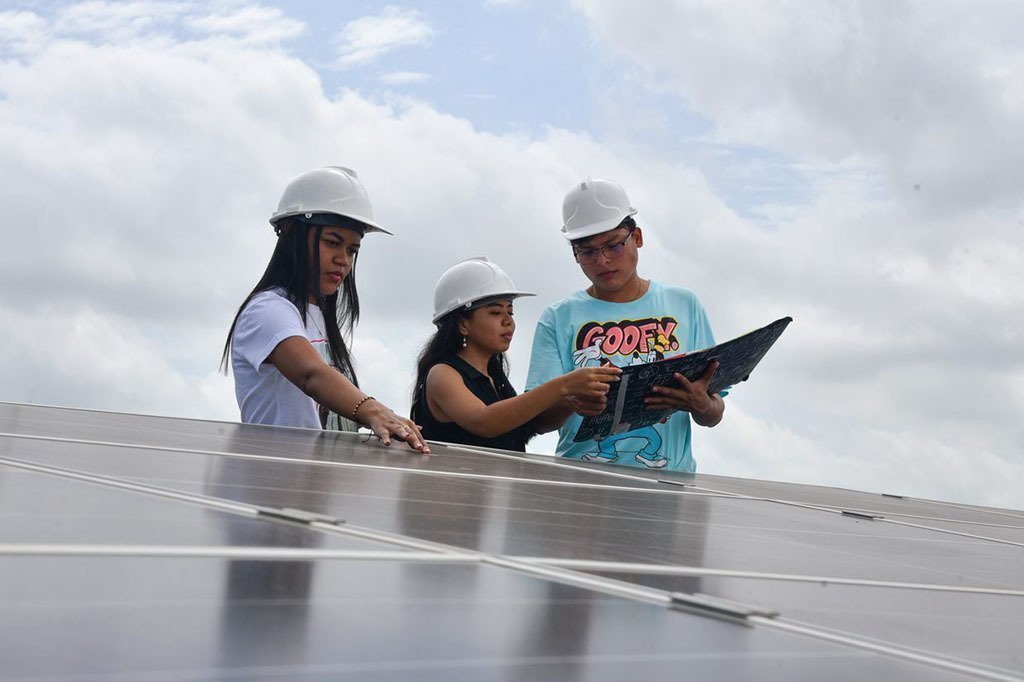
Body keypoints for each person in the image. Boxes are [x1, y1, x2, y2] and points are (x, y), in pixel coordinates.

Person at [222, 166, 429, 452]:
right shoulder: (268, 310)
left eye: (352, 250)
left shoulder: (315, 314)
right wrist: (373, 411)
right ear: (293, 234)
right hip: (270, 479)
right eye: (332, 243)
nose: (343, 260)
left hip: (305, 482)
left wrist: (390, 421)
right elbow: (311, 374)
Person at [526, 177, 725, 471]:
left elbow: (713, 412)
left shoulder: (684, 305)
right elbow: (538, 421)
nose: (603, 260)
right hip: (580, 485)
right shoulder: (557, 318)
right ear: (575, 256)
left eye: (614, 246)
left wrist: (702, 404)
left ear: (638, 238)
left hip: (667, 490)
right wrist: (572, 400)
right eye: (588, 251)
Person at [410, 257, 620, 451]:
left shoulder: (496, 380)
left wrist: (570, 401)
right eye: (495, 312)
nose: (507, 321)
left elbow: (534, 425)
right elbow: (484, 422)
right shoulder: (442, 374)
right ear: (463, 324)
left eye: (510, 312)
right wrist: (563, 385)